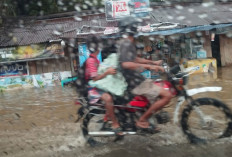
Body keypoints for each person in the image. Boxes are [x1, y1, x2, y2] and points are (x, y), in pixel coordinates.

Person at [118, 17, 173, 132]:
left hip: (136, 79)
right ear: (132, 29)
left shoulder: (127, 42)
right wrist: (150, 67)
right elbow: (126, 64)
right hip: (135, 82)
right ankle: (142, 120)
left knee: (158, 91)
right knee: (167, 96)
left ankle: (146, 117)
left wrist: (152, 62)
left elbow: (134, 58)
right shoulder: (126, 43)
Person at [85, 36, 122, 134]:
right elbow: (95, 78)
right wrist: (107, 72)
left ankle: (108, 117)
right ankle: (114, 124)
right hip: (93, 88)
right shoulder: (91, 61)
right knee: (108, 99)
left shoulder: (96, 59)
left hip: (99, 85)